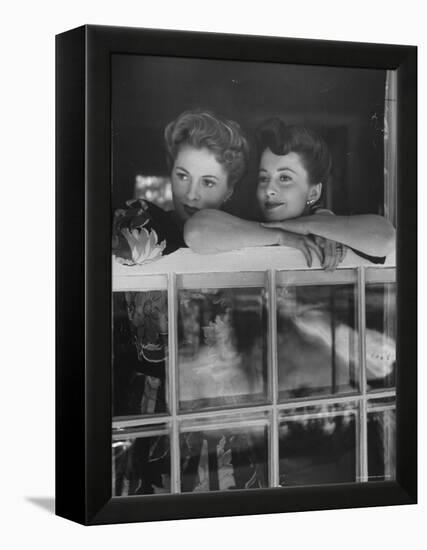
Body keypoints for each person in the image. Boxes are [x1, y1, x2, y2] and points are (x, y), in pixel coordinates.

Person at [184, 118, 396, 270]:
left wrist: (313, 225)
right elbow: (196, 232)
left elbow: (386, 238)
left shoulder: (333, 232)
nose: (269, 190)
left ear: (314, 191)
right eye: (264, 178)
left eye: (284, 178)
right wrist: (281, 236)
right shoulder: (246, 224)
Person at [112, 109, 249, 265]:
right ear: (171, 172)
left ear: (228, 192)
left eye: (208, 182)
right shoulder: (143, 217)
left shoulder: (246, 237)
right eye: (183, 176)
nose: (191, 195)